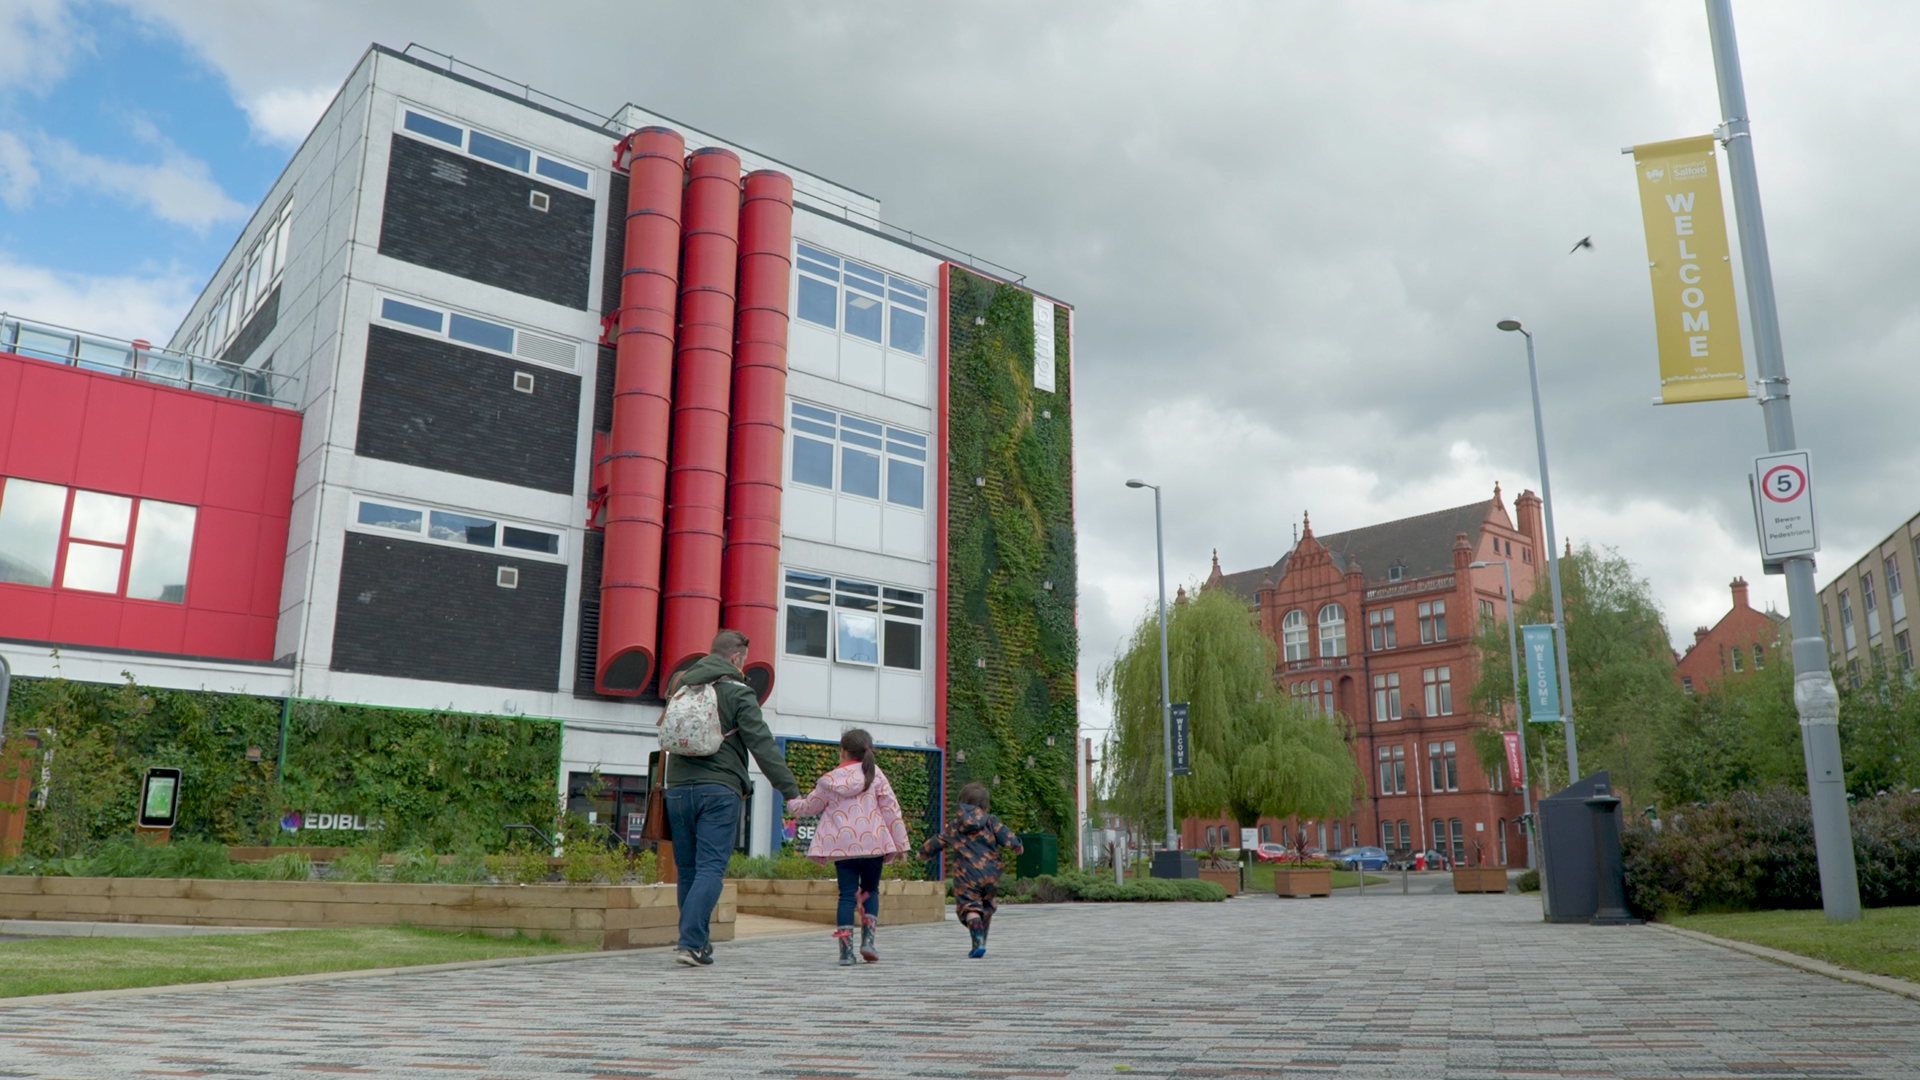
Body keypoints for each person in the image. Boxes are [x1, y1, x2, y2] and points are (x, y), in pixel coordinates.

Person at [664, 629, 800, 968]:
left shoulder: (680, 686)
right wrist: (790, 791)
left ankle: (698, 942)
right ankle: (690, 942)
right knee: (710, 867)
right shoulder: (739, 693)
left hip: (677, 789)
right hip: (719, 790)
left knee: (689, 870)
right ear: (737, 659)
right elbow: (763, 747)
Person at [785, 728, 912, 965]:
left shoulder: (830, 780)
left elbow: (811, 806)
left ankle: (845, 952)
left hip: (842, 848)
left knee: (846, 896)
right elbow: (891, 810)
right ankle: (868, 942)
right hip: (873, 844)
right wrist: (901, 844)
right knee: (870, 890)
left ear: (842, 751)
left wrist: (792, 804)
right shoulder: (875, 775)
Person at [920, 781, 1021, 958]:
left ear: (961, 803)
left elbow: (938, 841)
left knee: (970, 907)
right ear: (985, 805)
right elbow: (1006, 834)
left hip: (966, 875)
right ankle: (981, 941)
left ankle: (977, 942)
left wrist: (922, 853)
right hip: (991, 873)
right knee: (987, 907)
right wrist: (1016, 845)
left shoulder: (955, 825)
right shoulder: (990, 821)